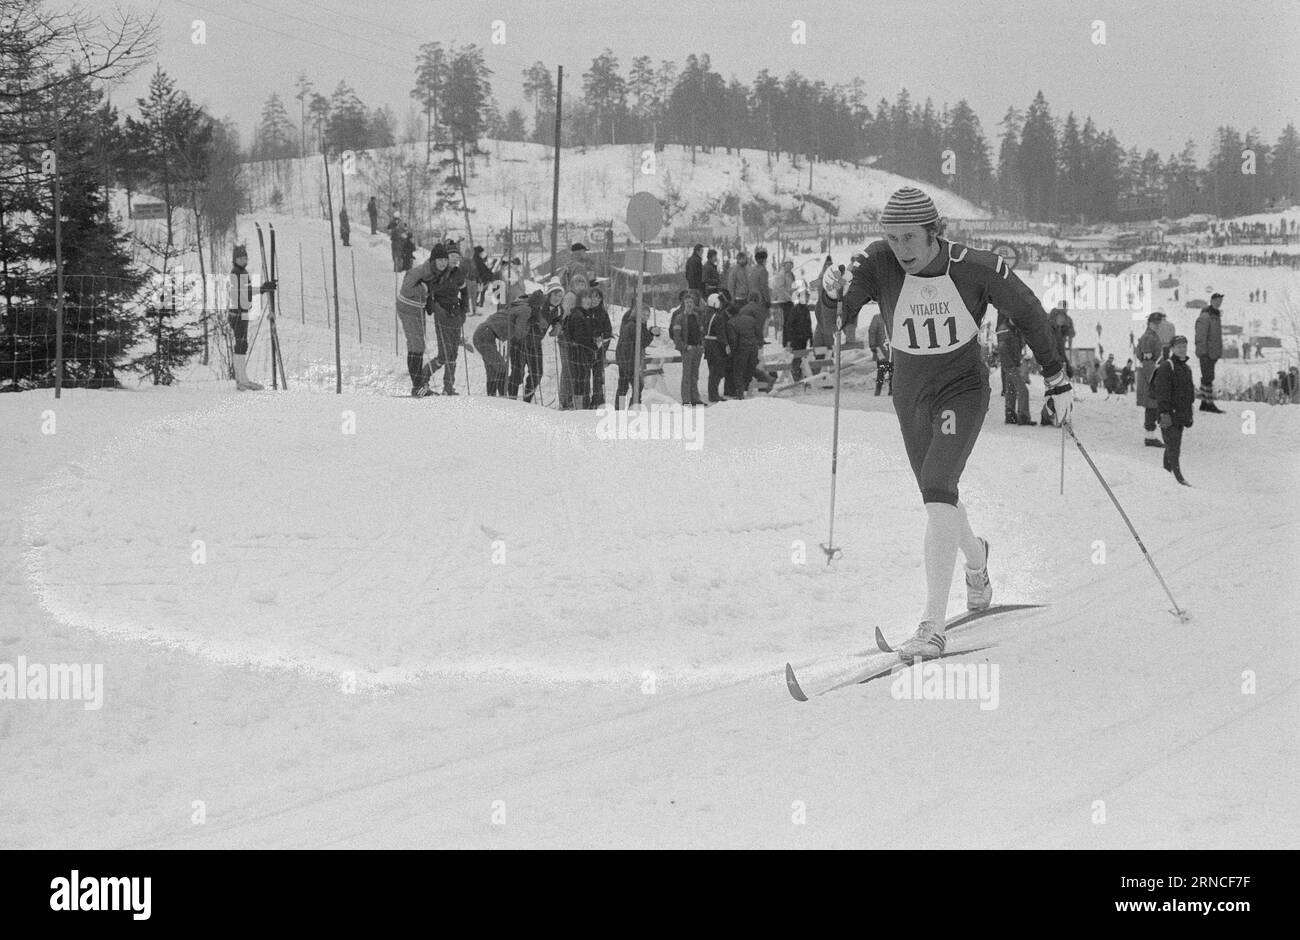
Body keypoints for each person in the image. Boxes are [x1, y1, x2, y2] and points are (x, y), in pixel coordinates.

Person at [829, 186, 1069, 660]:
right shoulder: (878, 262)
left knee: (939, 485)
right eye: (892, 238)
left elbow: (1028, 313)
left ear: (935, 231)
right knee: (938, 496)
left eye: (910, 238)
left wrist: (1057, 377)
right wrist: (830, 295)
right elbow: (840, 317)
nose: (901, 249)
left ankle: (932, 627)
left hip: (961, 389)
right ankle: (977, 562)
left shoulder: (975, 268)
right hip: (910, 393)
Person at [226, 244, 274, 391]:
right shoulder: (237, 272)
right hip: (238, 314)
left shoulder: (242, 271)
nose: (243, 260)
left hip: (241, 312)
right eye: (240, 258)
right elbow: (244, 292)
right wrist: (262, 289)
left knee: (242, 344)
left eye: (245, 257)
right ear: (235, 259)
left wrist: (263, 288)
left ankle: (241, 379)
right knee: (241, 345)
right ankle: (242, 380)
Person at [422, 244, 468, 395]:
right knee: (444, 354)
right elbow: (428, 291)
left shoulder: (458, 273)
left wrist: (464, 310)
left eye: (457, 257)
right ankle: (423, 377)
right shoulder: (437, 273)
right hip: (441, 313)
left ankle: (448, 387)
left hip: (455, 314)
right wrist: (432, 307)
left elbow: (465, 291)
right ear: (446, 258)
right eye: (452, 256)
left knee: (453, 353)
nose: (455, 260)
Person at [1150, 334, 1196, 485]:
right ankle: (1178, 478)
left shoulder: (1186, 368)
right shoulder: (1167, 366)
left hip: (1180, 415)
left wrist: (1189, 415)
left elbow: (1189, 394)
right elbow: (1162, 392)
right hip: (1169, 415)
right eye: (1179, 347)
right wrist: (1164, 413)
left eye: (1184, 347)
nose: (1182, 350)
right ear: (1172, 349)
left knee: (1172, 446)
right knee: (1173, 448)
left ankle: (1166, 476)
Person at [395, 248, 442, 396]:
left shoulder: (434, 272)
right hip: (408, 308)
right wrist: (425, 289)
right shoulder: (420, 271)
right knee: (416, 345)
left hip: (417, 309)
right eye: (440, 260)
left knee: (417, 345)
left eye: (445, 260)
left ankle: (418, 385)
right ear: (433, 260)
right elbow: (407, 289)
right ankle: (417, 387)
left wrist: (429, 300)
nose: (443, 263)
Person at [510, 280, 562, 402]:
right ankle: (511, 400)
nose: (557, 298)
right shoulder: (538, 302)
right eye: (555, 294)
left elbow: (557, 318)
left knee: (537, 374)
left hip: (535, 344)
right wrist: (539, 318)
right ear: (549, 294)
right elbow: (530, 309)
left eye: (560, 296)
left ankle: (527, 401)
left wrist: (558, 324)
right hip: (519, 341)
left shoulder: (557, 310)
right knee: (517, 374)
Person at [473, 292, 532, 395]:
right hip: (486, 335)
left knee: (492, 370)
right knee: (501, 367)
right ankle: (502, 397)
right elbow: (519, 332)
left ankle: (491, 397)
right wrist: (528, 326)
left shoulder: (515, 306)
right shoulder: (526, 309)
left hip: (484, 333)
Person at [558, 289, 593, 409]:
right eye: (584, 298)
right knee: (580, 380)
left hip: (579, 354)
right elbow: (580, 338)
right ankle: (579, 408)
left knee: (580, 380)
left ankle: (580, 406)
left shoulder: (582, 314)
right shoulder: (578, 315)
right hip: (578, 354)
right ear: (579, 300)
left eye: (589, 298)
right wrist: (594, 345)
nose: (588, 300)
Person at [614, 302, 655, 409]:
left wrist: (650, 332)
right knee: (637, 386)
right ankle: (631, 409)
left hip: (625, 359)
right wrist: (651, 333)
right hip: (628, 360)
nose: (645, 317)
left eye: (647, 315)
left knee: (623, 386)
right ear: (637, 313)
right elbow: (643, 341)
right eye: (643, 314)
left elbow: (643, 339)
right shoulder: (633, 325)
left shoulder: (636, 324)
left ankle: (620, 408)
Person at [670, 289, 706, 406]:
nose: (689, 304)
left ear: (694, 303)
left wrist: (702, 345)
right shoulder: (679, 318)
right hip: (687, 350)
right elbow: (676, 337)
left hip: (697, 349)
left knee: (695, 375)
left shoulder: (697, 316)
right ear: (684, 304)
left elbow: (701, 332)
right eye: (687, 302)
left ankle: (695, 398)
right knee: (687, 375)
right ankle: (686, 399)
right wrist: (684, 347)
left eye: (691, 302)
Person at [996, 312, 1033, 423]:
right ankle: (1024, 417)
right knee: (1023, 391)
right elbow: (1002, 349)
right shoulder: (1004, 329)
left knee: (1011, 390)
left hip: (1014, 364)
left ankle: (1010, 416)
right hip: (1010, 365)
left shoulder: (1016, 330)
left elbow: (1019, 346)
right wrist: (1010, 365)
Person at [726, 291, 764, 399]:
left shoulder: (733, 321)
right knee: (751, 368)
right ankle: (753, 385)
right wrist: (760, 343)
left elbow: (733, 339)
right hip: (754, 346)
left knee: (739, 371)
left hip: (741, 348)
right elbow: (759, 331)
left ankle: (740, 392)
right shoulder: (755, 315)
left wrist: (732, 352)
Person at [1135, 312, 1164, 448]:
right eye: (1154, 323)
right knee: (1151, 407)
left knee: (1153, 407)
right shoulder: (1148, 338)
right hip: (1150, 377)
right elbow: (1147, 361)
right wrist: (1154, 379)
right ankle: (1150, 438)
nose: (1157, 325)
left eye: (1158, 323)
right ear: (1149, 323)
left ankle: (1150, 436)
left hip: (1151, 375)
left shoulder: (1152, 336)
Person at [582, 286, 613, 408]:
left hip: (599, 350)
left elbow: (608, 332)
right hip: (585, 350)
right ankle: (584, 402)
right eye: (593, 296)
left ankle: (598, 401)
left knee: (598, 377)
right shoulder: (584, 311)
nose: (595, 300)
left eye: (598, 297)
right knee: (584, 376)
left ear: (601, 300)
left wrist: (602, 343)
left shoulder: (603, 313)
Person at [1195, 292, 1226, 413]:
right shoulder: (1206, 316)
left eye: (1220, 301)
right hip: (1206, 353)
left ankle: (1205, 402)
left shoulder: (1215, 316)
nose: (1219, 303)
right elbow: (1200, 336)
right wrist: (1203, 352)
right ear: (1212, 301)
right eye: (1217, 300)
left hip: (1212, 353)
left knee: (1208, 377)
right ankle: (1208, 403)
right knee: (1207, 377)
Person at [703, 292, 731, 402]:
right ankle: (713, 395)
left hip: (708, 346)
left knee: (712, 371)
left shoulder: (706, 314)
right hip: (716, 347)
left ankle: (712, 394)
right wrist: (726, 345)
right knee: (716, 372)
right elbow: (721, 334)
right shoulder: (717, 317)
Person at [785, 287, 814, 382]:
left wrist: (810, 337)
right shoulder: (795, 309)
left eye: (808, 297)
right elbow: (790, 325)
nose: (807, 299)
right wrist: (792, 337)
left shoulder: (806, 309)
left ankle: (799, 373)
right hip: (797, 338)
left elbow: (808, 324)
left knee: (802, 356)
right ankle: (795, 374)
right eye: (806, 297)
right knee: (797, 356)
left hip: (803, 338)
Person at [1047, 300, 1075, 376]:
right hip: (1053, 340)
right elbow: (1048, 324)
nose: (1066, 309)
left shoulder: (1067, 319)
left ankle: (1066, 372)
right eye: (1064, 307)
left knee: (1061, 357)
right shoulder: (1054, 314)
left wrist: (1069, 342)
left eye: (1066, 307)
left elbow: (1071, 333)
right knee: (1058, 357)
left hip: (1060, 342)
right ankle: (1065, 372)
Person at [771, 258, 795, 345]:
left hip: (790, 301)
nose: (790, 266)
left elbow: (790, 287)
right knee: (785, 322)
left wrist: (794, 291)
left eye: (791, 264)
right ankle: (785, 341)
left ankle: (790, 340)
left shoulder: (791, 274)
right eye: (788, 264)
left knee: (791, 321)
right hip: (783, 302)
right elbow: (780, 288)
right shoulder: (781, 275)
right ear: (784, 265)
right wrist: (789, 297)